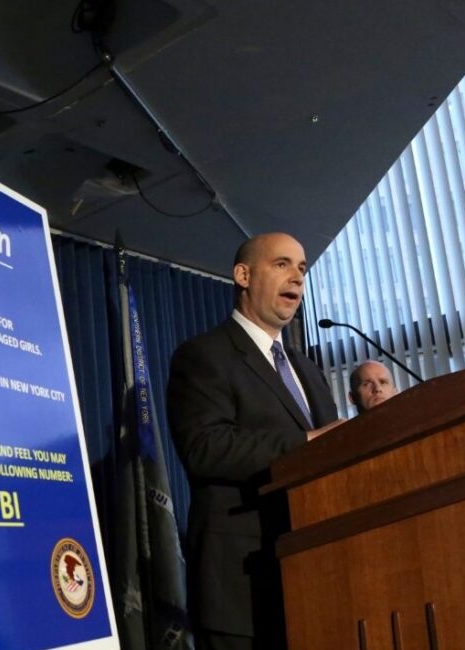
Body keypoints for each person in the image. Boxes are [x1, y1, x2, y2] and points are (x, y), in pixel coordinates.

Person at [166, 232, 342, 650]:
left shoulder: (307, 369)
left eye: (302, 268)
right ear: (243, 276)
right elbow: (205, 448)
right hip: (242, 585)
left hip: (317, 572)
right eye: (282, 264)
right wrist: (306, 443)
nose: (297, 277)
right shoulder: (204, 354)